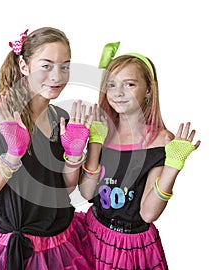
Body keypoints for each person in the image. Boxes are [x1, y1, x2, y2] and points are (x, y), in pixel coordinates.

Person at [0, 27, 93, 270]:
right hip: (18, 250)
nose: (57, 76)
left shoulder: (62, 119)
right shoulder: (3, 120)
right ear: (24, 67)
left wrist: (75, 156)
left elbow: (64, 190)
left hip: (62, 242)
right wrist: (12, 155)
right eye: (46, 66)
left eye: (65, 66)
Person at [79, 42, 201, 269]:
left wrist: (172, 166)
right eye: (112, 84)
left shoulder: (161, 140)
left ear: (148, 90)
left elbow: (147, 213)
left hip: (130, 246)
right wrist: (95, 143)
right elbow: (87, 193)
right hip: (93, 232)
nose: (118, 92)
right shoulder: (103, 132)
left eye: (130, 84)